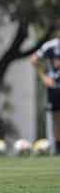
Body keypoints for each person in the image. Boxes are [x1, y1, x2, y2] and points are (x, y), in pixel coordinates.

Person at [30, 24, 60, 154]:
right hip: (54, 87)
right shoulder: (51, 46)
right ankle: (58, 150)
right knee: (56, 119)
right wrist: (44, 77)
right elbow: (34, 59)